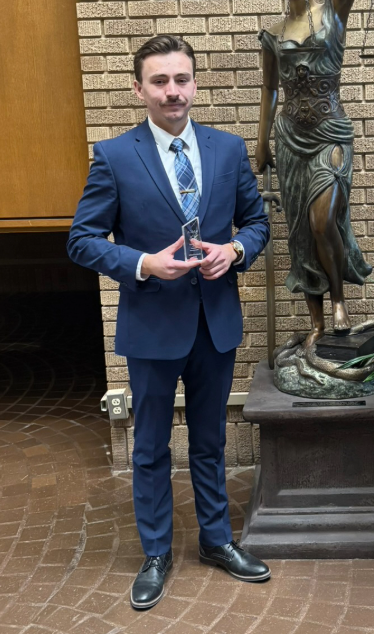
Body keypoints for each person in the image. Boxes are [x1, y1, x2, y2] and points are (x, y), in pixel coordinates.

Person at [67, 35, 272, 610]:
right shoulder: (113, 156)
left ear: (195, 84)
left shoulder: (229, 151)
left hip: (215, 324)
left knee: (209, 442)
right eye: (159, 81)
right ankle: (156, 552)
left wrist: (234, 252)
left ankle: (216, 541)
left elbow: (256, 223)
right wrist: (141, 263)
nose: (172, 91)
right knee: (152, 446)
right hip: (152, 328)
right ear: (139, 89)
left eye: (181, 79)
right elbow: (81, 240)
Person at [255, 0, 374, 352]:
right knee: (302, 230)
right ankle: (318, 321)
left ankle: (341, 299)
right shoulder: (271, 34)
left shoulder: (334, 10)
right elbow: (269, 91)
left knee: (325, 219)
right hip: (289, 140)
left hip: (329, 132)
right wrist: (260, 143)